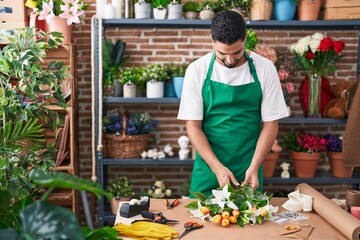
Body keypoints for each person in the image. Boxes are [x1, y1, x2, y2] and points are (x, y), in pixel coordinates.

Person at [177, 10, 288, 197]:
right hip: (209, 168)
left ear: (245, 39)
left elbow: (270, 124)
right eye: (222, 54)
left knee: (249, 222)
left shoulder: (265, 69)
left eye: (236, 52)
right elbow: (193, 127)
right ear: (212, 40)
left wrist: (255, 165)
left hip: (249, 167)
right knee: (201, 223)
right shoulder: (197, 70)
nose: (229, 61)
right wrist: (217, 168)